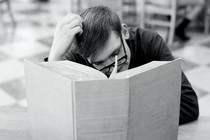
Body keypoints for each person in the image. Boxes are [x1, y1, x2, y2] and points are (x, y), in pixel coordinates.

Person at [47, 6, 199, 124]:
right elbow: (50, 112)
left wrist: (120, 111)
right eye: (99, 63)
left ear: (124, 32)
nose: (113, 68)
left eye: (115, 54)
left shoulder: (149, 42)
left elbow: (189, 105)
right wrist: (55, 55)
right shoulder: (78, 54)